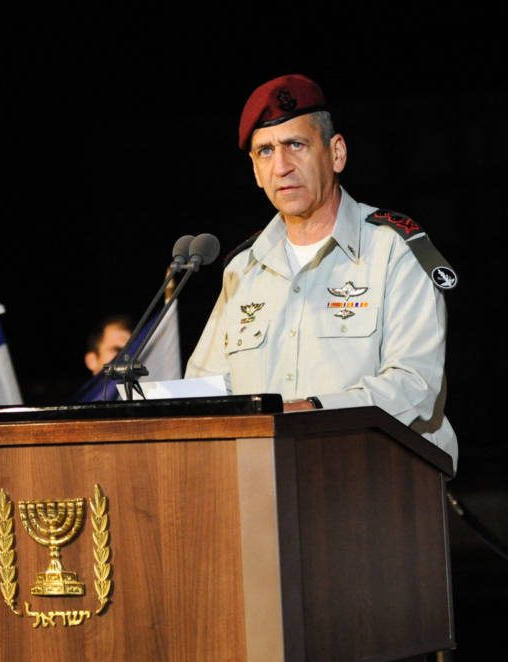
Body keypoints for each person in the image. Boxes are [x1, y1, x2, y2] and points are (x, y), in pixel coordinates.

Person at [184, 74, 459, 466]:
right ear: (255, 171)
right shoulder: (243, 270)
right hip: (262, 483)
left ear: (337, 153)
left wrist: (312, 412)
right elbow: (205, 390)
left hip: (374, 481)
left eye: (296, 145)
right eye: (265, 152)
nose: (281, 166)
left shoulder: (393, 250)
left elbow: (415, 386)